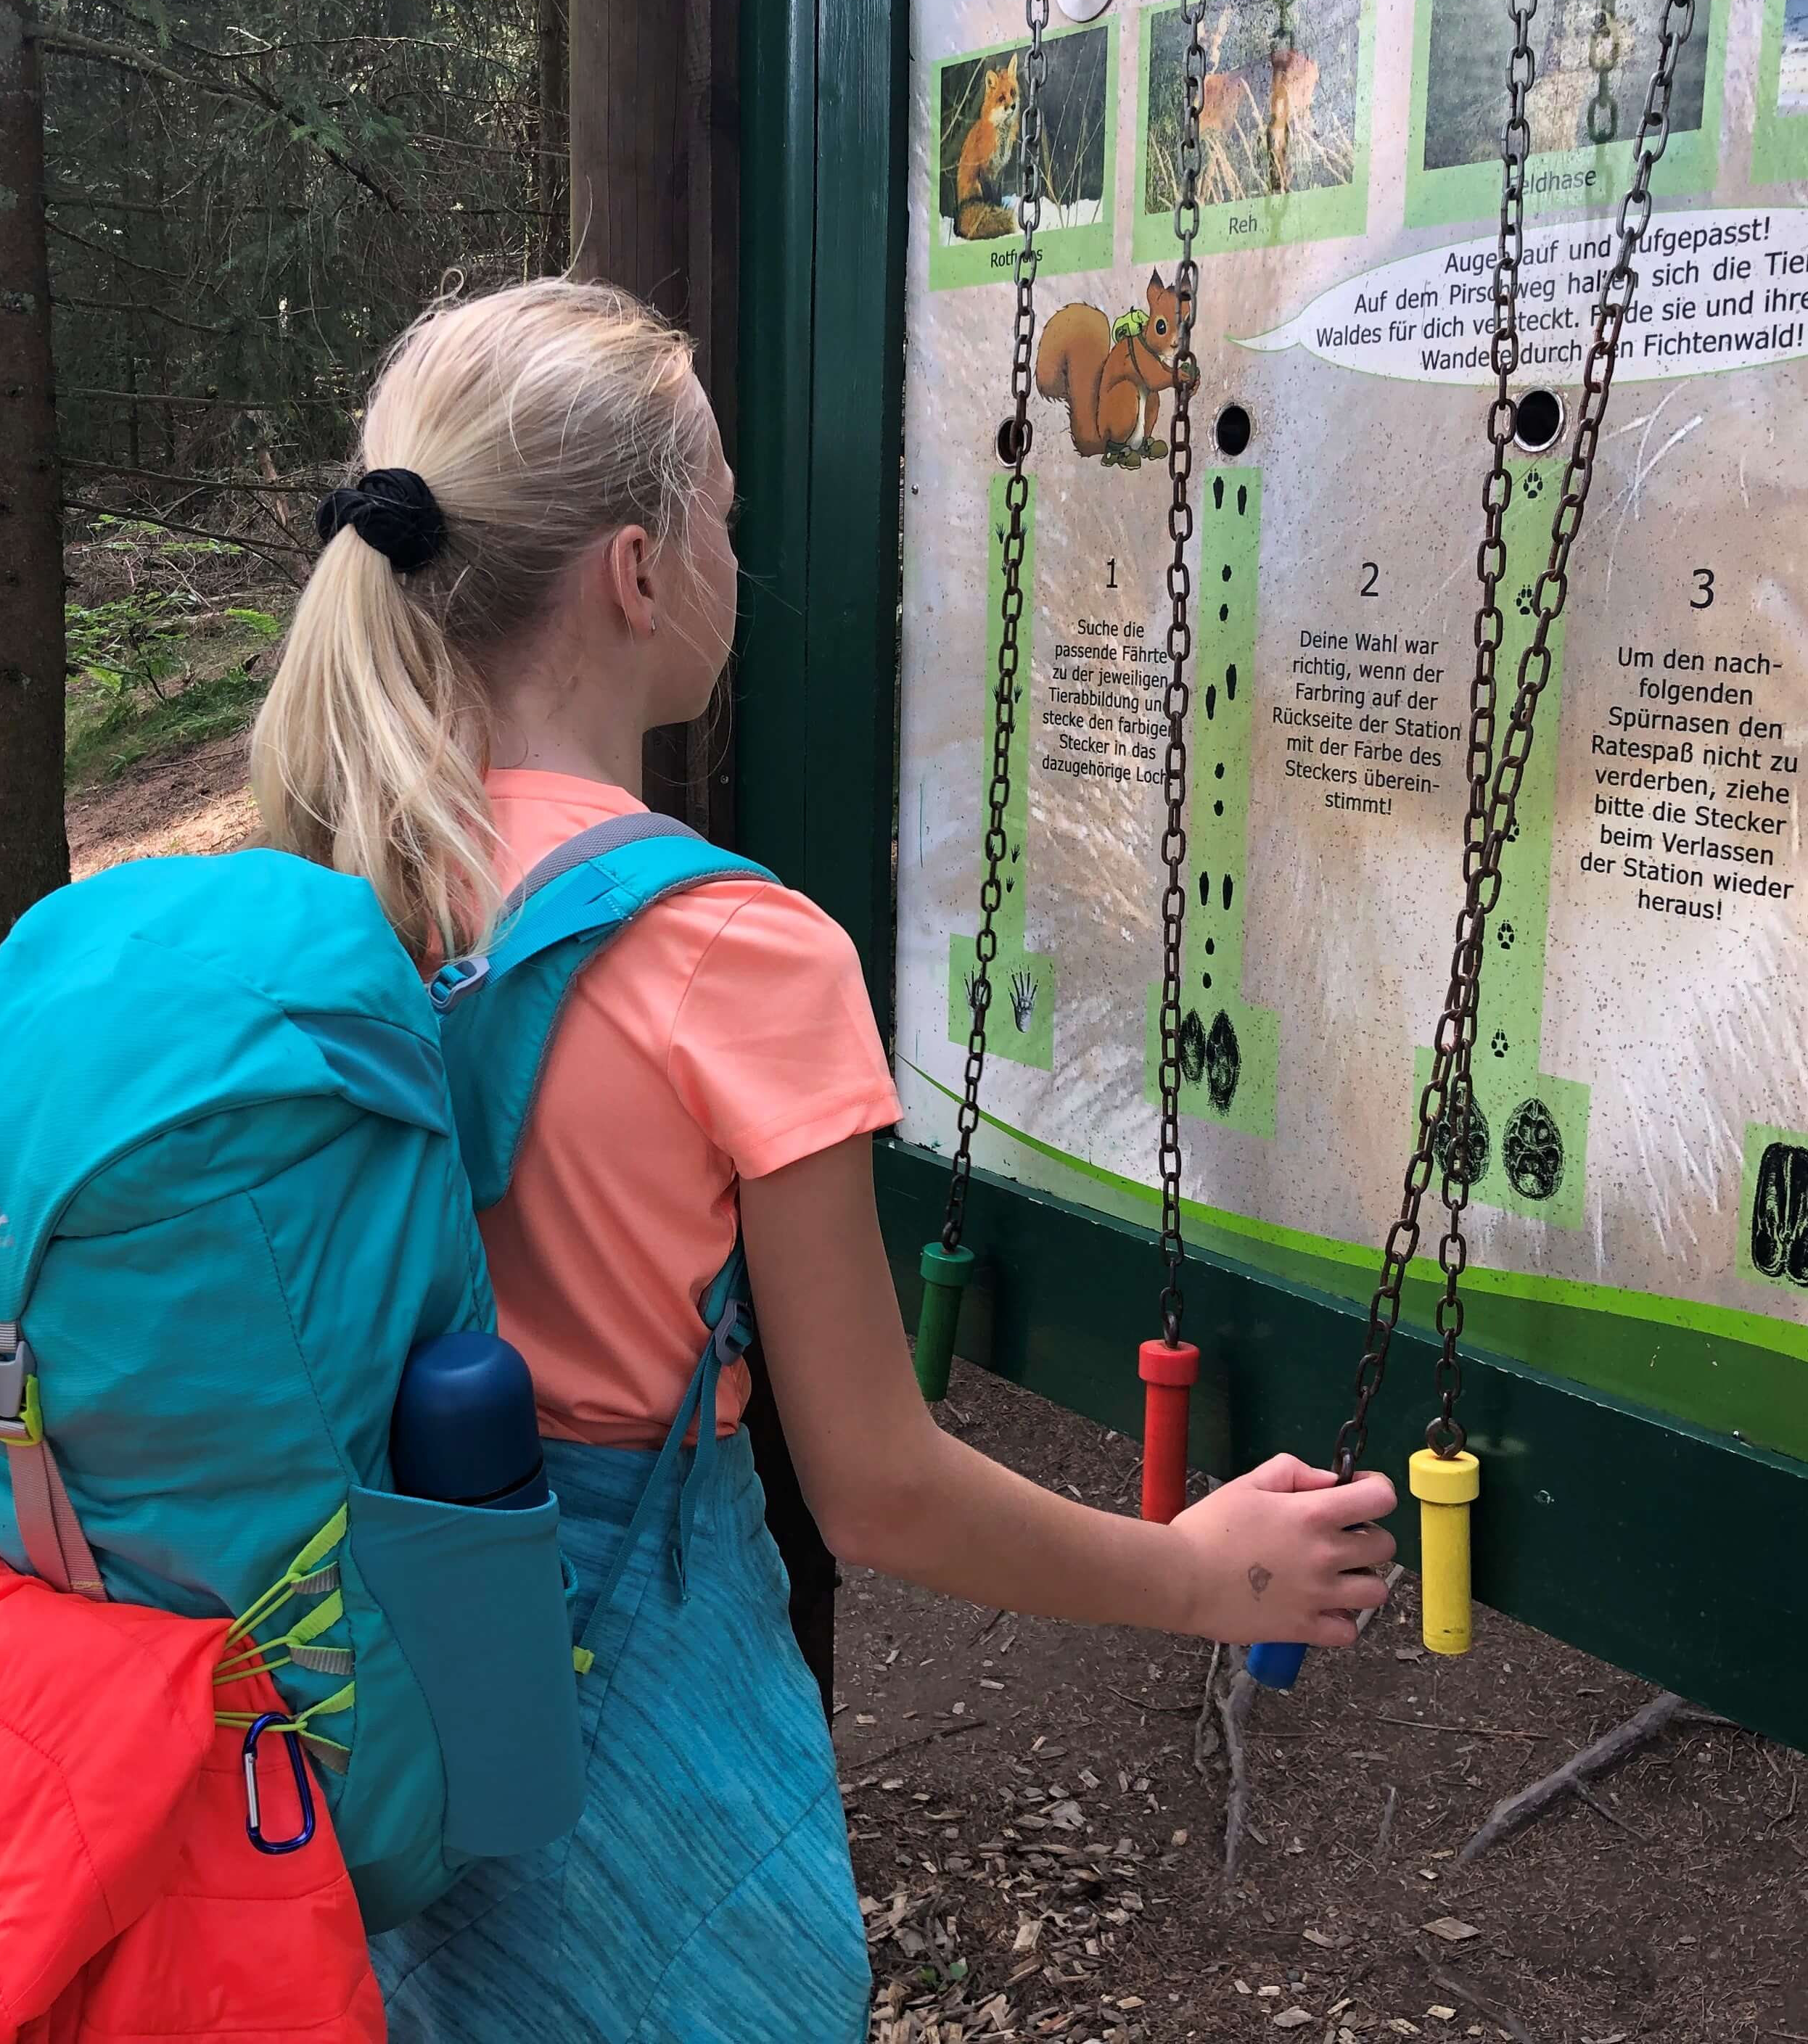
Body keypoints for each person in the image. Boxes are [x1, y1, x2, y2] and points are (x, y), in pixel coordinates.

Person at [250, 279, 1396, 2042]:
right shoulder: (733, 949)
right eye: (723, 510)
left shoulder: (316, 885)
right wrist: (1202, 1573)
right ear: (637, 570)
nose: (736, 547)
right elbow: (875, 1484)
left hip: (350, 1687)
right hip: (627, 1709)